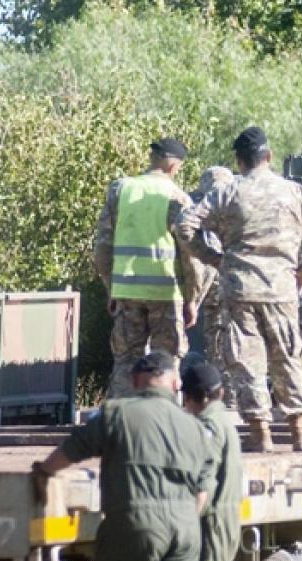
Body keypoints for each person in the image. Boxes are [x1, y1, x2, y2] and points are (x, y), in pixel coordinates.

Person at [175, 126, 302, 452]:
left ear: (239, 161)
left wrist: (213, 257)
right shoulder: (295, 192)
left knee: (248, 360)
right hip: (282, 287)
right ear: (269, 157)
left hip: (239, 288)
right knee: (288, 356)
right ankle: (300, 434)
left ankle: (260, 434)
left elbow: (185, 224)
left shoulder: (227, 192)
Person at [30, 351, 214, 561]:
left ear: (136, 380)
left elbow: (73, 449)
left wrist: (44, 471)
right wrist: (183, 519)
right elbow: (203, 492)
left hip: (134, 523)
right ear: (174, 383)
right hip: (186, 530)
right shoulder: (196, 427)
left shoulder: (117, 412)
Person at [93, 138, 209, 397]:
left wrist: (111, 287)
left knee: (125, 362)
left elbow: (102, 247)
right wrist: (192, 299)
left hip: (126, 292)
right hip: (166, 295)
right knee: (167, 363)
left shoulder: (120, 190)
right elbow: (191, 256)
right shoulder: (177, 198)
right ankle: (164, 418)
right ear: (173, 166)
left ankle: (121, 422)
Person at [182, 361, 243, 561]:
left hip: (211, 523)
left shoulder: (209, 426)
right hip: (227, 519)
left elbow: (203, 481)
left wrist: (184, 525)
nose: (185, 406)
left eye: (186, 398)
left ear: (200, 397)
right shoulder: (225, 421)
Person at [189, 166, 236, 408]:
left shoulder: (201, 209)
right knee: (234, 341)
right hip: (239, 285)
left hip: (214, 284)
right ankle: (232, 396)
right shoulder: (237, 205)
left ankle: (223, 397)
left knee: (217, 342)